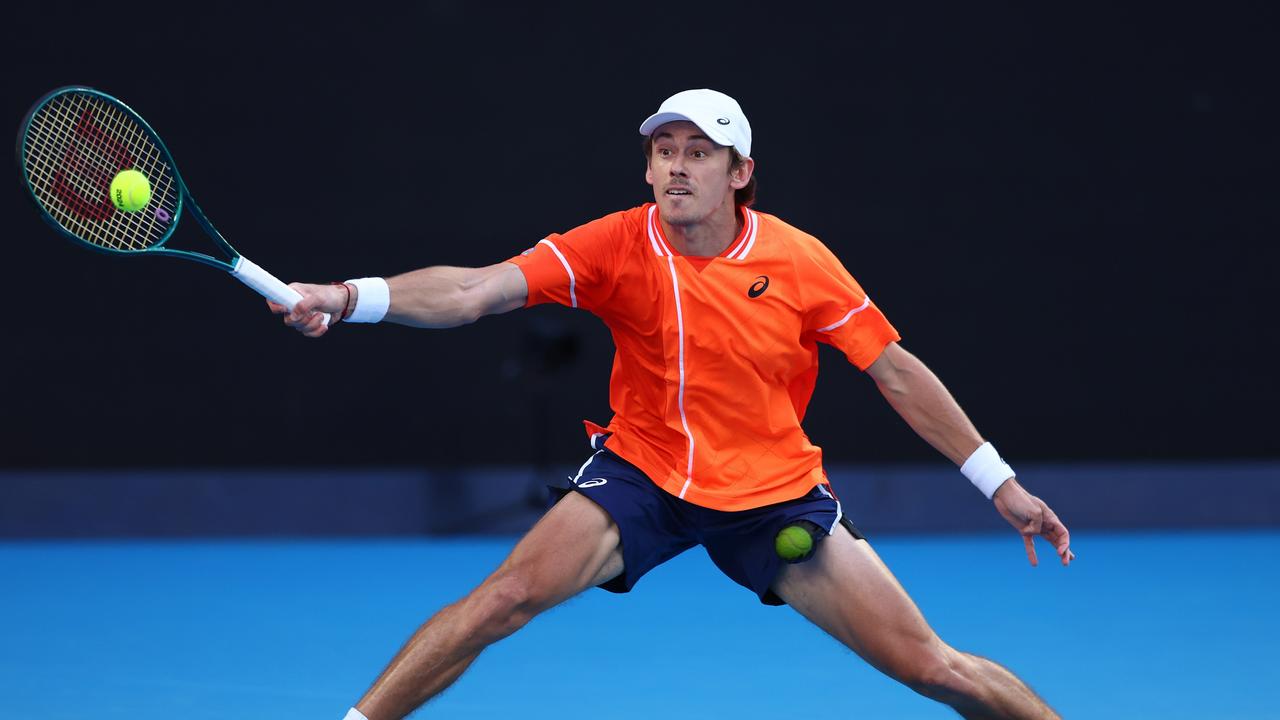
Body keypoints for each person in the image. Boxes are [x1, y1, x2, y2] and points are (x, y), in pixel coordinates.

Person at [273, 89, 1074, 720]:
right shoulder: (615, 244)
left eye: (700, 152)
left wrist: (1001, 484)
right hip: (643, 474)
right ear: (649, 170)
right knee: (503, 599)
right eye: (665, 152)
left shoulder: (799, 261)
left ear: (740, 172)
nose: (678, 167)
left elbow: (896, 373)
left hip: (771, 496)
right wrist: (347, 297)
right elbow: (476, 289)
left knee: (930, 667)